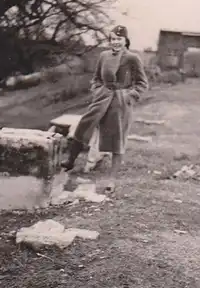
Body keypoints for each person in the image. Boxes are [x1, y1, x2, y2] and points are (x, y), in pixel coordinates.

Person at [62, 25, 149, 192]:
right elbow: (96, 78)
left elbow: (142, 83)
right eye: (113, 39)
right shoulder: (104, 55)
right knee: (84, 126)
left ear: (125, 41)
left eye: (119, 39)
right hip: (102, 98)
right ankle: (70, 161)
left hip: (120, 101)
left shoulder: (132, 58)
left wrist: (129, 96)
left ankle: (111, 180)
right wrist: (97, 91)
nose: (115, 42)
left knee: (118, 139)